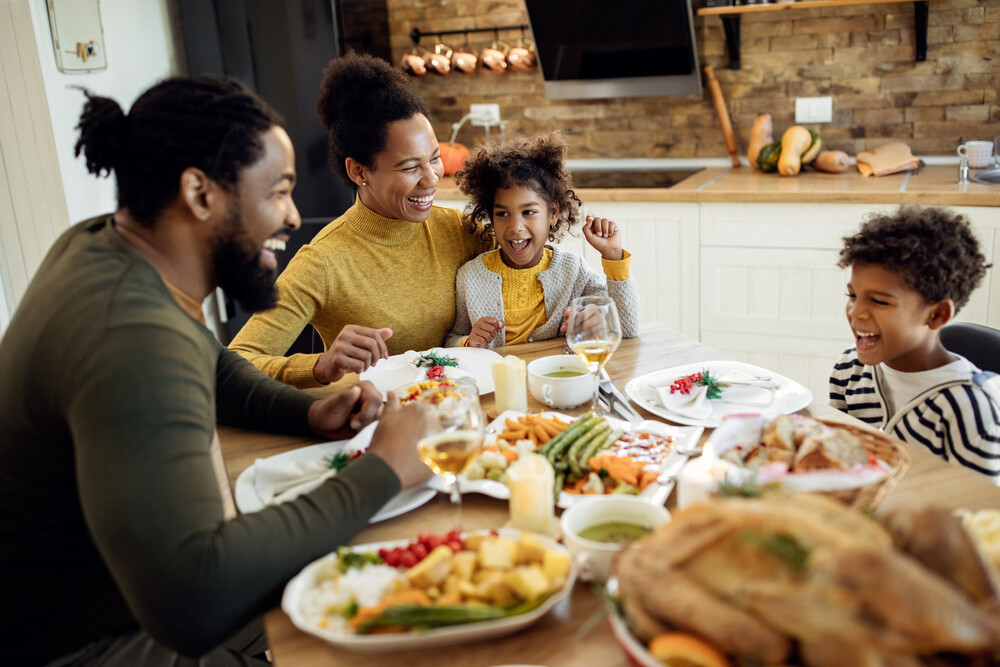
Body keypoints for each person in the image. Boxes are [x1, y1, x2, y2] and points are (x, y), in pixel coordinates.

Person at [0, 76, 431, 666]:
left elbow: (215, 368)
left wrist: (306, 408)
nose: (292, 214)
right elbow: (195, 598)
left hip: (121, 605)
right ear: (199, 194)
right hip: (91, 644)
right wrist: (381, 472)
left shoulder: (104, 248)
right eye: (277, 191)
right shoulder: (131, 337)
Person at [228, 52, 484, 388]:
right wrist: (321, 365)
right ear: (358, 171)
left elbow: (535, 264)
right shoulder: (323, 262)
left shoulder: (457, 229)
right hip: (378, 426)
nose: (431, 178)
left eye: (434, 159)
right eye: (410, 167)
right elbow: (237, 363)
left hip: (466, 412)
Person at [828, 205, 1000, 482]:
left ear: (937, 314)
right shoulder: (849, 370)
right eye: (852, 295)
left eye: (879, 301)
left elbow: (979, 513)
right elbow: (834, 462)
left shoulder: (970, 410)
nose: (856, 312)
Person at [444, 132, 639, 349]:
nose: (515, 227)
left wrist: (613, 256)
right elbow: (452, 338)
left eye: (528, 212)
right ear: (490, 216)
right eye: (502, 214)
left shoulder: (574, 271)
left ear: (553, 213)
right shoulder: (470, 277)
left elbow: (626, 327)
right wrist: (468, 342)